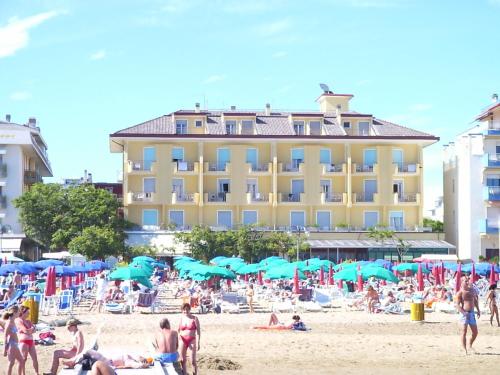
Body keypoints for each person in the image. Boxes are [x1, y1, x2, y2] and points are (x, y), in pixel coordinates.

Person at [455, 279, 480, 354]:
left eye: (467, 281)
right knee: (464, 332)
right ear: (462, 282)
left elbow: (475, 301)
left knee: (475, 332)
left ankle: (470, 345)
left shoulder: (472, 290)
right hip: (464, 314)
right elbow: (457, 305)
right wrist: (463, 313)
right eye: (465, 281)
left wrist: (478, 310)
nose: (467, 282)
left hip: (472, 313)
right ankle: (464, 349)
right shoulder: (460, 292)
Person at [15, 302, 39, 375]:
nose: (28, 314)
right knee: (23, 359)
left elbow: (34, 330)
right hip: (23, 341)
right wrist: (30, 330)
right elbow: (25, 330)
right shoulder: (18, 320)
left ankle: (37, 373)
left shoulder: (28, 321)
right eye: (27, 313)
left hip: (30, 341)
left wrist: (30, 330)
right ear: (22, 312)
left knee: (35, 358)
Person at [2, 305, 25, 375]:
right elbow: (5, 336)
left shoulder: (13, 321)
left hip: (14, 344)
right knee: (13, 362)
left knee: (18, 361)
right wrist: (4, 349)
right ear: (14, 312)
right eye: (18, 312)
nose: (19, 313)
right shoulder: (9, 323)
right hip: (12, 344)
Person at [178, 303, 200, 375]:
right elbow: (178, 330)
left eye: (187, 310)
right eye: (184, 310)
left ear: (190, 310)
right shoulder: (181, 318)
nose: (185, 311)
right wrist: (177, 341)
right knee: (182, 360)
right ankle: (184, 373)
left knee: (193, 361)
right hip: (182, 339)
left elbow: (198, 332)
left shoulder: (194, 318)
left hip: (192, 340)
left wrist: (198, 342)